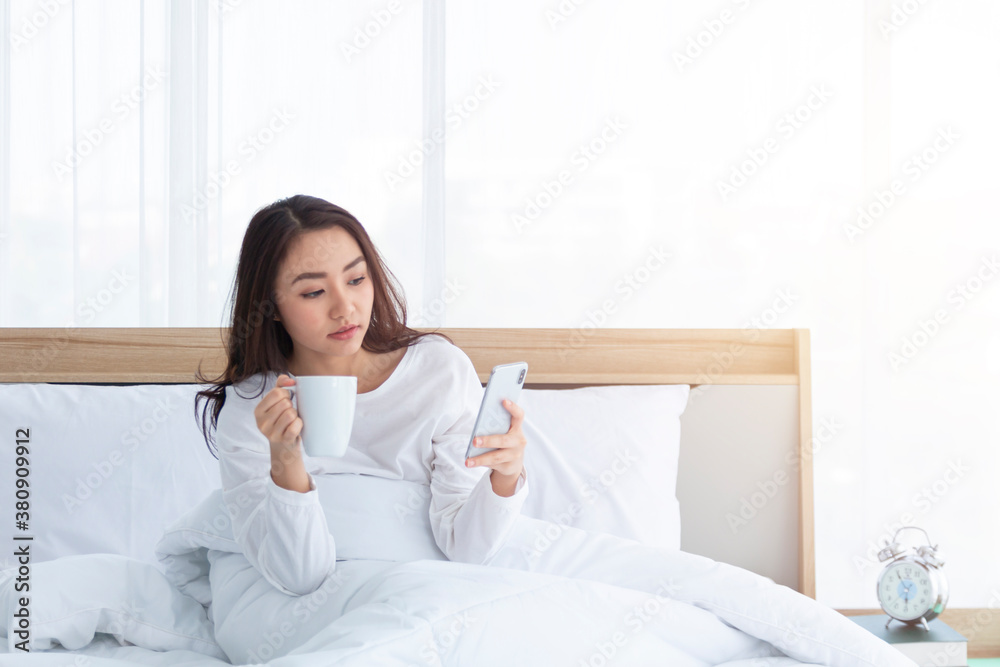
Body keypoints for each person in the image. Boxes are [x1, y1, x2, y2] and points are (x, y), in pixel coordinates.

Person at [195, 194, 529, 597]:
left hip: (419, 591)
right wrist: (285, 459)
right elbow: (300, 576)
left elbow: (467, 549)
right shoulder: (255, 405)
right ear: (273, 307)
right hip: (301, 606)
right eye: (313, 292)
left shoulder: (438, 372)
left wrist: (505, 478)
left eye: (356, 280)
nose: (345, 308)